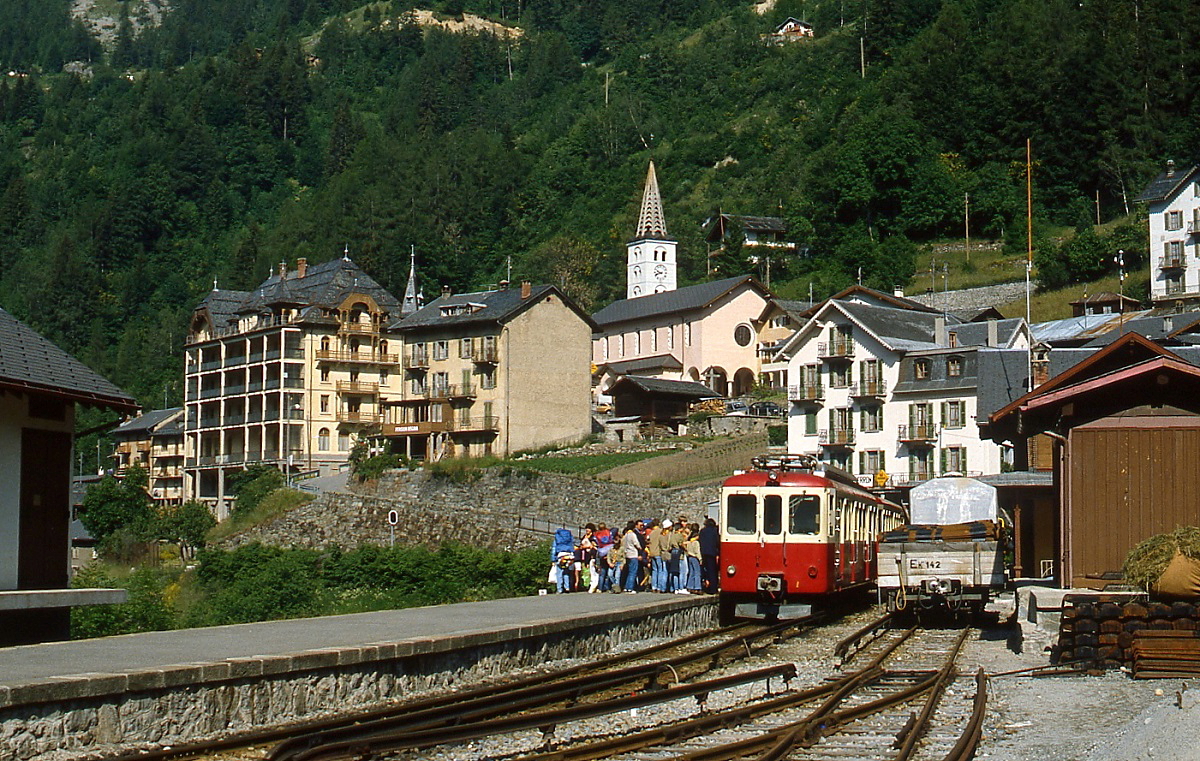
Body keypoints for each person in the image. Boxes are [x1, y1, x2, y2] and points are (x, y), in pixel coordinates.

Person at [620, 520, 642, 593]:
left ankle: (627, 587)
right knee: (633, 572)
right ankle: (630, 588)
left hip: (627, 554)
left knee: (629, 572)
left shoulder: (625, 535)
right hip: (633, 554)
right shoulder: (632, 534)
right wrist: (640, 547)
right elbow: (636, 544)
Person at [699, 517, 720, 594]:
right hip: (712, 553)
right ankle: (713, 588)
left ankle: (706, 586)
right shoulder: (715, 531)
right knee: (713, 571)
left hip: (704, 552)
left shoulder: (702, 531)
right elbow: (717, 542)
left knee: (706, 570)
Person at [646, 519, 665, 592]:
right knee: (660, 570)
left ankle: (654, 586)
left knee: (654, 570)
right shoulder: (660, 531)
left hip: (652, 552)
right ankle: (659, 587)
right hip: (658, 552)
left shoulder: (651, 533)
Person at [685, 523, 703, 593]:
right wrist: (700, 559)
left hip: (690, 557)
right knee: (697, 572)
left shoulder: (689, 540)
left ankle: (690, 586)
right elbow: (697, 552)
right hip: (695, 557)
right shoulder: (696, 542)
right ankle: (697, 587)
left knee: (691, 572)